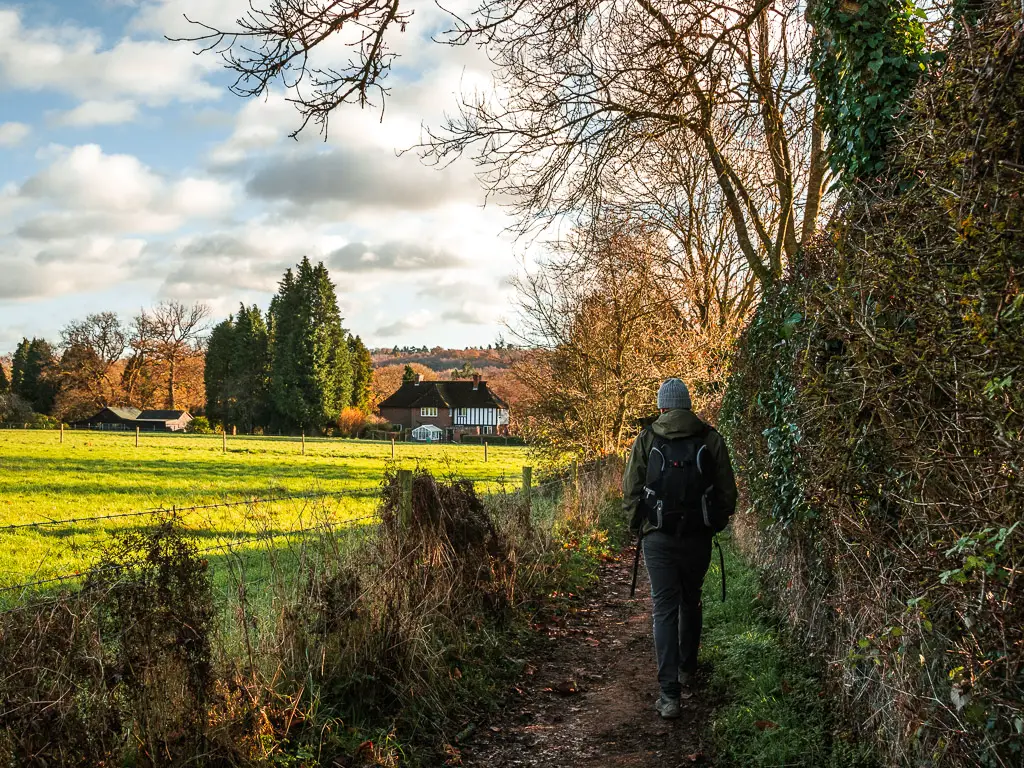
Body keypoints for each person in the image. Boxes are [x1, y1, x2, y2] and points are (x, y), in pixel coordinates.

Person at [622, 378, 737, 720]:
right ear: (688, 405)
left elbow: (632, 488)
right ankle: (688, 668)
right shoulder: (710, 438)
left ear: (661, 407)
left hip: (658, 536)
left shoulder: (647, 437)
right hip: (697, 536)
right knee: (691, 599)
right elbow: (727, 493)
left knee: (664, 608)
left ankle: (669, 695)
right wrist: (713, 524)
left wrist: (637, 527)